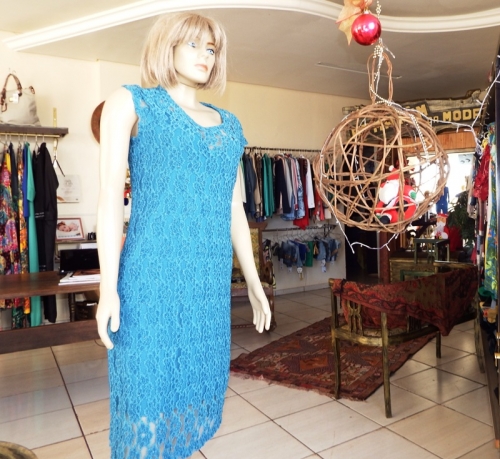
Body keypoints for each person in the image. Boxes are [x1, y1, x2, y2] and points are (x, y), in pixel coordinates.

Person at [95, 12, 272, 459]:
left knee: (192, 390)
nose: (204, 56)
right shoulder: (131, 102)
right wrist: (107, 287)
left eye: (211, 49)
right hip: (149, 281)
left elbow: (233, 209)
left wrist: (253, 281)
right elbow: (109, 199)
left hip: (205, 288)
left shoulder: (229, 125)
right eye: (193, 44)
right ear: (167, 46)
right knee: (144, 393)